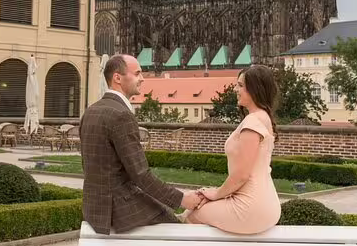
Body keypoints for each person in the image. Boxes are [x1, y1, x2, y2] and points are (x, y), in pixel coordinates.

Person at [79, 54, 204, 234]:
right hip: (117, 209)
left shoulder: (91, 111)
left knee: (161, 207)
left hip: (94, 207)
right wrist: (182, 199)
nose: (142, 78)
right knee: (177, 228)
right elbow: (141, 175)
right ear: (117, 78)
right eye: (137, 73)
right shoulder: (121, 115)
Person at [183, 65, 281, 234]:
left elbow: (241, 175)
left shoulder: (253, 122)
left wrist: (216, 194)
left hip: (250, 207)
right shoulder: (263, 118)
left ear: (255, 89)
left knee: (191, 214)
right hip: (265, 204)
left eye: (241, 85)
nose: (236, 89)